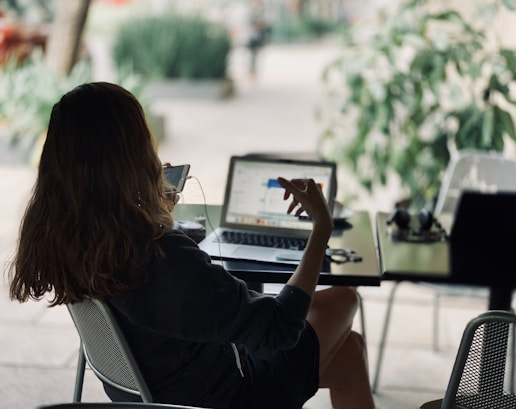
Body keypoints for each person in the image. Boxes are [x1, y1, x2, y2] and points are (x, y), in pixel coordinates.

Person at [7, 82, 374, 409]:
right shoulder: (157, 256)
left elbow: (170, 297)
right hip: (227, 397)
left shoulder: (68, 238)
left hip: (153, 390)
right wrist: (320, 230)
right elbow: (277, 332)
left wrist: (153, 214)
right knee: (343, 299)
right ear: (132, 155)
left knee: (351, 352)